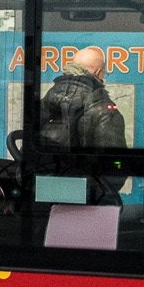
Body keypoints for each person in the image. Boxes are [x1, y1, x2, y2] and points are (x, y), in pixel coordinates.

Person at [38, 46, 125, 205]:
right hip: (87, 203)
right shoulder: (105, 112)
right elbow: (114, 174)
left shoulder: (46, 102)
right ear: (99, 73)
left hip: (43, 198)